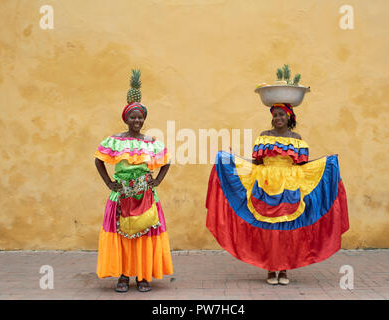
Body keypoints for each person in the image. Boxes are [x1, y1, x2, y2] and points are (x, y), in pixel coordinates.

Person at [206, 103, 349, 285]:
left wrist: (325, 162)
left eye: (281, 115)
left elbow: (301, 164)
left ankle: (284, 269)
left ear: (289, 117)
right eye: (275, 115)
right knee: (269, 229)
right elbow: (256, 162)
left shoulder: (296, 138)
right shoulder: (265, 136)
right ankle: (270, 269)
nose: (278, 118)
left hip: (289, 186)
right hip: (266, 184)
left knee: (285, 230)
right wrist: (234, 160)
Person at [94, 101, 173, 292]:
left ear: (144, 119)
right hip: (121, 197)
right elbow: (98, 160)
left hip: (145, 197)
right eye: (133, 117)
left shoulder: (150, 142)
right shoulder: (115, 141)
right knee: (123, 236)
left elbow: (167, 161)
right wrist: (108, 182)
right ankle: (123, 275)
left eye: (140, 117)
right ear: (126, 119)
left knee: (143, 236)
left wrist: (158, 181)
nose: (137, 120)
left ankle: (142, 275)